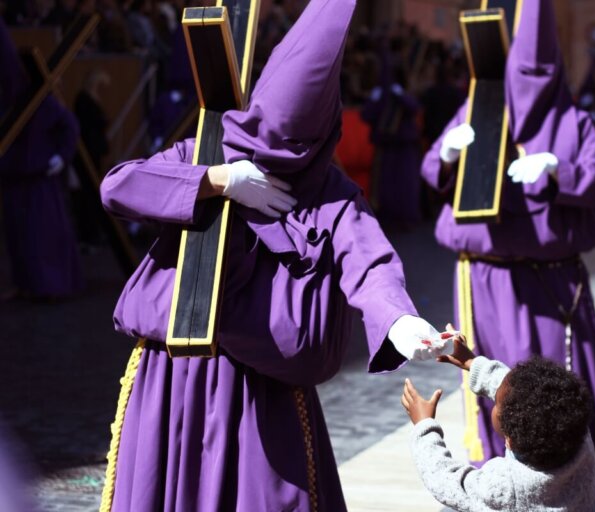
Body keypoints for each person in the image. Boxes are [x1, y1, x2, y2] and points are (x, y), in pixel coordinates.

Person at [99, 1, 446, 510]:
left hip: (264, 390)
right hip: (172, 375)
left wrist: (399, 321)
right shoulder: (206, 152)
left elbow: (369, 264)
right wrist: (216, 181)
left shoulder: (331, 193)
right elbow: (118, 186)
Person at [420, 0, 595, 499]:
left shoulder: (573, 121)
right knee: (490, 377)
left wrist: (560, 169)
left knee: (553, 386)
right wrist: (448, 155)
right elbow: (433, 168)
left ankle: (567, 483)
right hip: (486, 277)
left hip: (550, 282)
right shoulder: (480, 108)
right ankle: (494, 486)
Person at [401, 331, 595, 512]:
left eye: (497, 404)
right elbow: (519, 391)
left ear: (509, 440)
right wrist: (474, 364)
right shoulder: (578, 437)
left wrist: (425, 425)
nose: (495, 399)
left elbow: (445, 480)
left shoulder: (506, 487)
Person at [0, 19, 82, 300]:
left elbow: (67, 125)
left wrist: (60, 156)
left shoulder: (36, 99)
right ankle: (27, 284)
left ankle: (52, 285)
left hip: (38, 176)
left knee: (43, 237)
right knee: (18, 238)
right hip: (14, 175)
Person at [362, 53, 423, 226]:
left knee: (405, 182)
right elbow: (366, 115)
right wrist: (375, 98)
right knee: (386, 185)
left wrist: (400, 95)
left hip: (403, 145)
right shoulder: (380, 93)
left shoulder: (401, 92)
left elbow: (414, 108)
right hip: (386, 146)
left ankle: (405, 215)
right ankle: (387, 215)